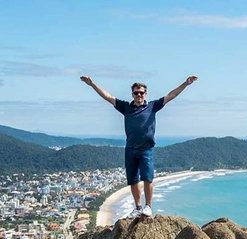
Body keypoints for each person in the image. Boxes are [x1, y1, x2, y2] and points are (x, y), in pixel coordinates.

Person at [80, 75, 198, 219]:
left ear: (145, 94)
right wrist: (92, 84)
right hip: (130, 149)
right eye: (136, 93)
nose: (139, 95)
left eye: (141, 93)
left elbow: (171, 95)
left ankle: (148, 206)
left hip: (146, 149)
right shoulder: (126, 107)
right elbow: (108, 97)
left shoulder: (152, 106)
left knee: (148, 179)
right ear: (132, 94)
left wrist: (185, 83)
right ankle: (138, 207)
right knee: (133, 180)